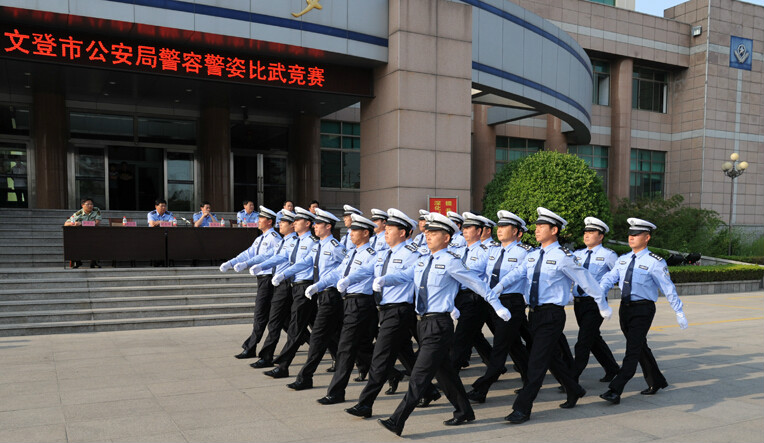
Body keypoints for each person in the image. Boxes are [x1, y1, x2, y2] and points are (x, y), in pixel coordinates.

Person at [375, 212, 511, 436]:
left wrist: (497, 305)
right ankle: (464, 411)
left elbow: (476, 283)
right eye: (427, 232)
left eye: (434, 233)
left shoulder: (451, 262)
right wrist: (384, 279)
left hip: (439, 324)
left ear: (447, 237)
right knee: (445, 372)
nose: (427, 236)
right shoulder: (422, 260)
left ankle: (397, 419)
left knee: (419, 374)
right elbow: (405, 275)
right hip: (423, 323)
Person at [496, 208, 611, 425]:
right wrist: (499, 286)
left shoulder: (563, 257)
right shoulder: (532, 256)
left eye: (542, 227)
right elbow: (517, 273)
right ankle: (574, 388)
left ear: (554, 230)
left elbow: (586, 280)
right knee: (550, 357)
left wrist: (601, 303)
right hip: (535, 314)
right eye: (536, 226)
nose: (537, 230)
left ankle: (522, 408)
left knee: (536, 362)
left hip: (552, 315)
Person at [343, 208, 437, 418]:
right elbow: (367, 271)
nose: (384, 231)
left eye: (390, 228)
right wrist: (350, 279)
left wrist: (388, 280)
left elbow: (409, 275)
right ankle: (429, 390)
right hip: (383, 310)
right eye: (385, 228)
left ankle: (366, 403)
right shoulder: (383, 254)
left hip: (399, 311)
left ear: (403, 232)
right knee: (405, 354)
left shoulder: (412, 254)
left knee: (381, 357)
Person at [599, 218, 689, 405]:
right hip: (625, 308)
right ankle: (656, 381)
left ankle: (615, 390)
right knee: (639, 346)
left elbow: (668, 287)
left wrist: (679, 312)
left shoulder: (655, 262)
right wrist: (598, 293)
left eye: (636, 234)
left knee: (632, 350)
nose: (631, 238)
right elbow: (609, 278)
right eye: (630, 234)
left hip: (643, 309)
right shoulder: (623, 260)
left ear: (647, 237)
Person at [306, 213, 379, 405]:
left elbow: (364, 272)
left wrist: (349, 280)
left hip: (361, 303)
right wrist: (319, 285)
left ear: (365, 232)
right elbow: (336, 272)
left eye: (355, 230)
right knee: (362, 347)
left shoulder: (371, 254)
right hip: (348, 302)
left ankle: (336, 392)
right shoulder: (352, 253)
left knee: (346, 348)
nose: (350, 233)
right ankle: (394, 375)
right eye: (350, 229)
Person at [468, 211, 533, 403]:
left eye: (505, 227)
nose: (500, 230)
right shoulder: (492, 251)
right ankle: (530, 380)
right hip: (494, 302)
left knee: (499, 348)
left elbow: (528, 278)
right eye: (500, 226)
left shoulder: (524, 252)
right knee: (514, 345)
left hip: (512, 303)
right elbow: (473, 270)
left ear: (517, 233)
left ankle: (481, 389)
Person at [278, 208, 346, 390]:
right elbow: (304, 262)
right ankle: (388, 373)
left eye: (318, 224)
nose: (315, 227)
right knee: (343, 339)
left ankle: (305, 377)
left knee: (317, 338)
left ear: (328, 227)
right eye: (314, 224)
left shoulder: (335, 247)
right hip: (321, 295)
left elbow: (345, 268)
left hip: (332, 295)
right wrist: (285, 273)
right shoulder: (318, 246)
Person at [258, 207, 317, 378]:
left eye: (297, 221)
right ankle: (347, 357)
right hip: (294, 286)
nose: (294, 223)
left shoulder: (311, 242)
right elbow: (283, 257)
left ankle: (283, 366)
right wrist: (262, 266)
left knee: (296, 327)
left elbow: (306, 263)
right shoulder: (295, 242)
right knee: (323, 331)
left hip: (306, 286)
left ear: (307, 223)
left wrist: (285, 273)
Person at [220, 206, 282, 359]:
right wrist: (231, 262)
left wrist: (247, 264)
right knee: (284, 319)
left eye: (261, 219)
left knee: (260, 314)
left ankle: (250, 347)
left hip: (269, 279)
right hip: (262, 279)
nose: (258, 221)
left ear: (269, 221)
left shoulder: (274, 237)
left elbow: (266, 257)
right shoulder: (260, 238)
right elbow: (248, 253)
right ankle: (313, 342)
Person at [571, 217, 621, 383]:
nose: (586, 235)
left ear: (601, 236)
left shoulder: (608, 255)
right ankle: (612, 368)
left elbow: (620, 275)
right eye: (585, 232)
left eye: (591, 232)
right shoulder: (577, 254)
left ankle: (571, 378)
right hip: (579, 304)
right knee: (593, 338)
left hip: (595, 304)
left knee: (583, 341)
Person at [250, 209, 298, 368]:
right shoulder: (283, 241)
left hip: (288, 284)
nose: (280, 225)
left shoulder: (294, 242)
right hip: (280, 283)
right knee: (291, 323)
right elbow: (272, 256)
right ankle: (330, 348)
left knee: (276, 320)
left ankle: (267, 356)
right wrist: (256, 264)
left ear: (292, 225)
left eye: (283, 222)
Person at [448, 212, 493, 372]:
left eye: (469, 228)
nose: (464, 230)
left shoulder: (486, 251)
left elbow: (486, 276)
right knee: (474, 336)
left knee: (460, 339)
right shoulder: (458, 252)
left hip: (475, 299)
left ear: (479, 231)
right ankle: (495, 365)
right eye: (464, 227)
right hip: (459, 297)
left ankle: (450, 375)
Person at [64, 197, 103, 269]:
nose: (90, 206)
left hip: (93, 233)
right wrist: (74, 223)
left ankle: (93, 262)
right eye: (88, 204)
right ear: (82, 205)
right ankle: (77, 261)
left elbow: (97, 223)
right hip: (80, 234)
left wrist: (81, 223)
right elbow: (66, 224)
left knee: (97, 241)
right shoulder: (78, 213)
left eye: (91, 204)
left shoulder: (96, 210)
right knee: (74, 242)